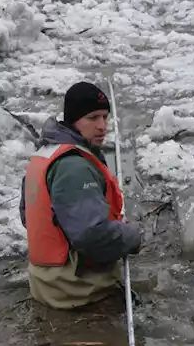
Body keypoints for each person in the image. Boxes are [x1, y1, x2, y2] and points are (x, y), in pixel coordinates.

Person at [19, 81, 143, 309]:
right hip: (74, 290)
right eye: (93, 118)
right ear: (74, 120)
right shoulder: (74, 167)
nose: (102, 126)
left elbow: (28, 217)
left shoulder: (45, 153)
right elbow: (92, 237)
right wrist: (132, 236)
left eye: (105, 117)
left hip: (44, 280)